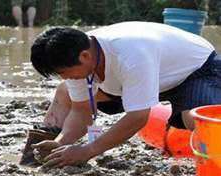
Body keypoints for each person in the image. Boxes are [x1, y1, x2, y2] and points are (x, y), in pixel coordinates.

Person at [30, 22, 221, 168]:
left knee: (196, 119)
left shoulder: (131, 56)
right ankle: (40, 154)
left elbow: (138, 117)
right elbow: (81, 112)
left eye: (63, 72)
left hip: (195, 71)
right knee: (65, 92)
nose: (65, 77)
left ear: (85, 56)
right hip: (127, 80)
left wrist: (88, 150)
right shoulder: (75, 54)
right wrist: (61, 142)